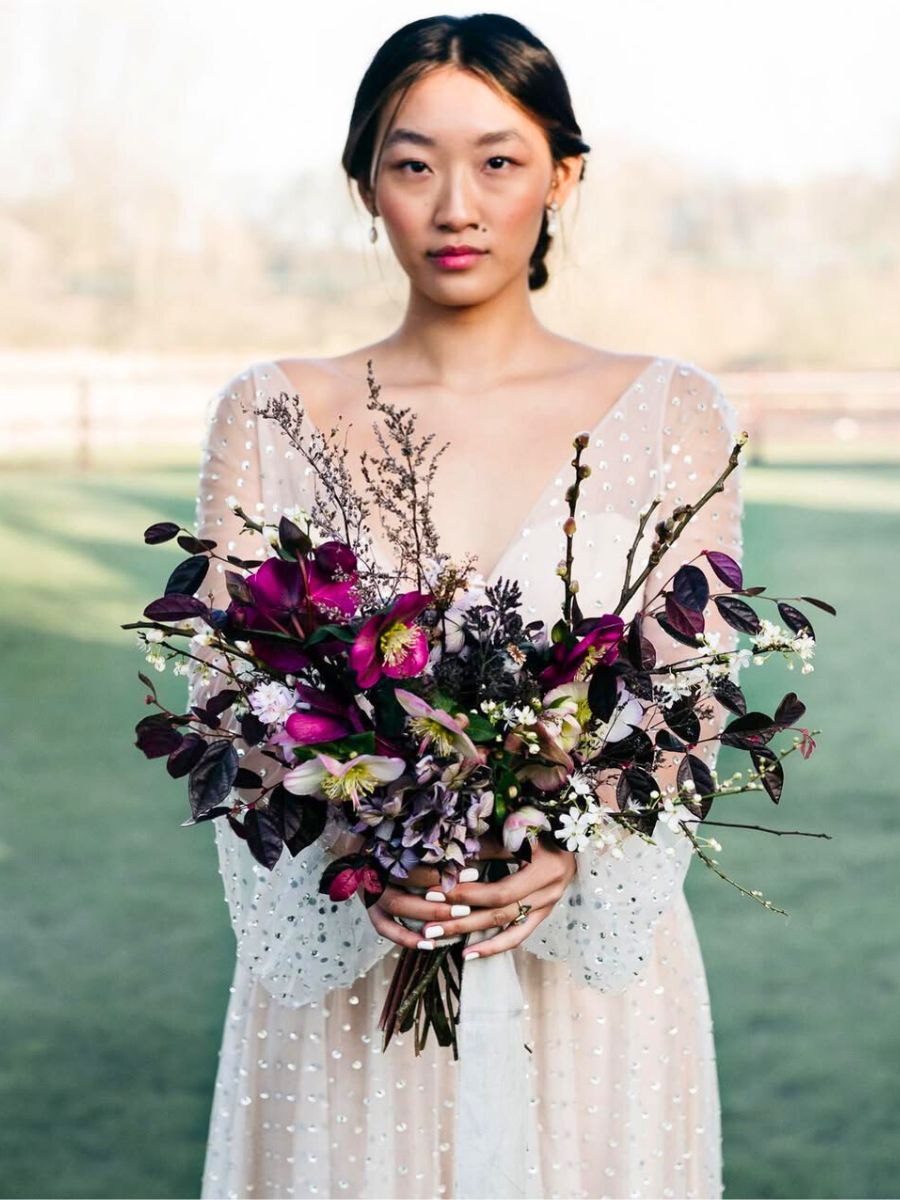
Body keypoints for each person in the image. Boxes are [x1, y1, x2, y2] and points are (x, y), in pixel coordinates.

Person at [189, 14, 744, 1199]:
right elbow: (226, 706)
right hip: (357, 981)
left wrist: (576, 845)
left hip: (588, 1003)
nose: (457, 206)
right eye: (412, 163)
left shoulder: (672, 413)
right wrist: (362, 836)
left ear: (563, 176)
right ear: (363, 185)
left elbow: (691, 699)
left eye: (498, 160)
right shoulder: (272, 412)